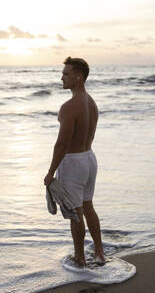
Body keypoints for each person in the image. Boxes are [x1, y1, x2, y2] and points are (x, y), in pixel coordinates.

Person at [44, 56, 105, 267]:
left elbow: (62, 144)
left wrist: (50, 172)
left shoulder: (70, 106)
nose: (62, 78)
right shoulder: (91, 102)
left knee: (76, 213)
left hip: (73, 163)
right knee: (88, 207)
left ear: (78, 77)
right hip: (89, 158)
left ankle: (80, 258)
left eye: (66, 74)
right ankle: (99, 252)